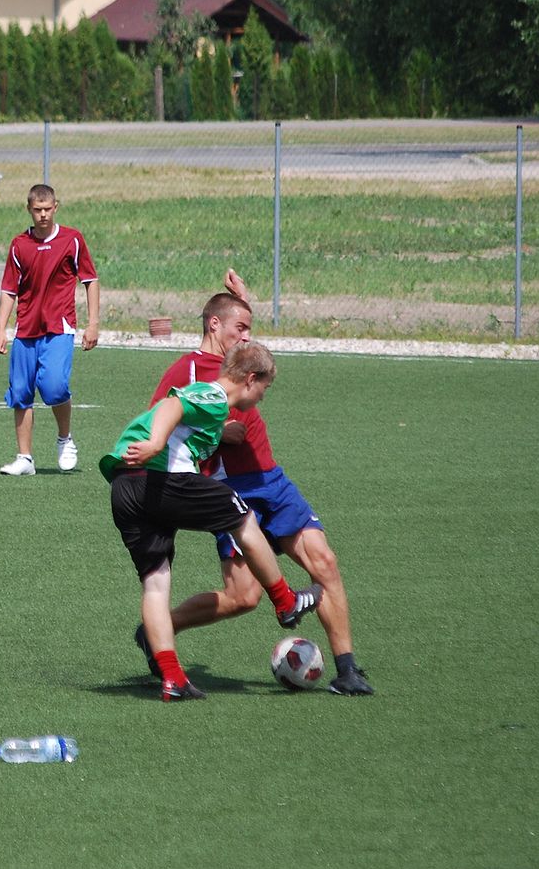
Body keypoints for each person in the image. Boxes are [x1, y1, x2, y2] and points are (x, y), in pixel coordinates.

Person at [141, 275, 375, 696]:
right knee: (244, 597)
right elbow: (157, 419)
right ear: (214, 325)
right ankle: (158, 629)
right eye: (240, 327)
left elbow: (252, 351)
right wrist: (217, 434)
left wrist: (243, 303)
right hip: (228, 490)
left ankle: (348, 670)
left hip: (270, 480)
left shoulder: (242, 359)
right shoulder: (187, 368)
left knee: (324, 561)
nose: (247, 335)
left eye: (248, 328)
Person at [103, 341, 322, 701]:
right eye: (265, 388)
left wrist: (214, 434)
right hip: (161, 477)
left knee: (156, 583)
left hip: (126, 489)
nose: (262, 397)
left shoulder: (215, 412)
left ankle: (173, 679)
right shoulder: (215, 395)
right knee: (243, 517)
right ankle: (285, 601)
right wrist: (155, 443)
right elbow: (173, 405)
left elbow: (183, 423)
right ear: (250, 379)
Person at [0, 183, 99, 476]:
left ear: (56, 208)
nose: (43, 215)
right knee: (20, 392)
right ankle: (25, 459)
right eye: (37, 210)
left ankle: (65, 438)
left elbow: (90, 280)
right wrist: (0, 329)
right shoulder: (19, 245)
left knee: (54, 387)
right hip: (26, 330)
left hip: (58, 328)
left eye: (47, 209)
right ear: (29, 209)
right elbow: (8, 290)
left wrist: (93, 324)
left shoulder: (72, 240)